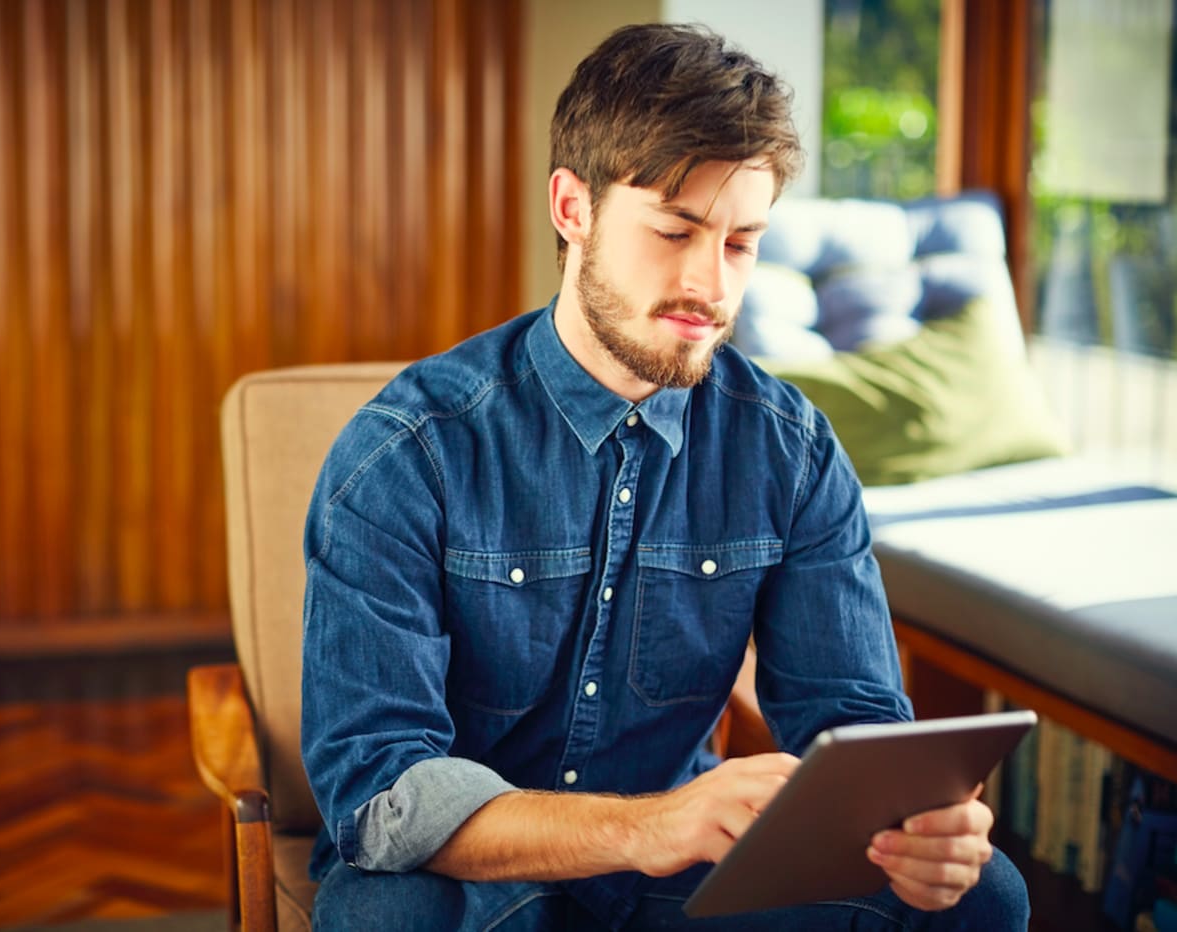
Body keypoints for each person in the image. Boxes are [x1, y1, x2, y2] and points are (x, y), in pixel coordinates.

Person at [299, 22, 1028, 932]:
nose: (708, 286)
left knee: (983, 896)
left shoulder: (790, 451)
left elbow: (852, 722)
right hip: (473, 877)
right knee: (386, 919)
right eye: (675, 230)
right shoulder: (408, 453)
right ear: (574, 208)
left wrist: (920, 825)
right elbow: (380, 796)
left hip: (685, 873)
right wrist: (645, 827)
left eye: (740, 244)